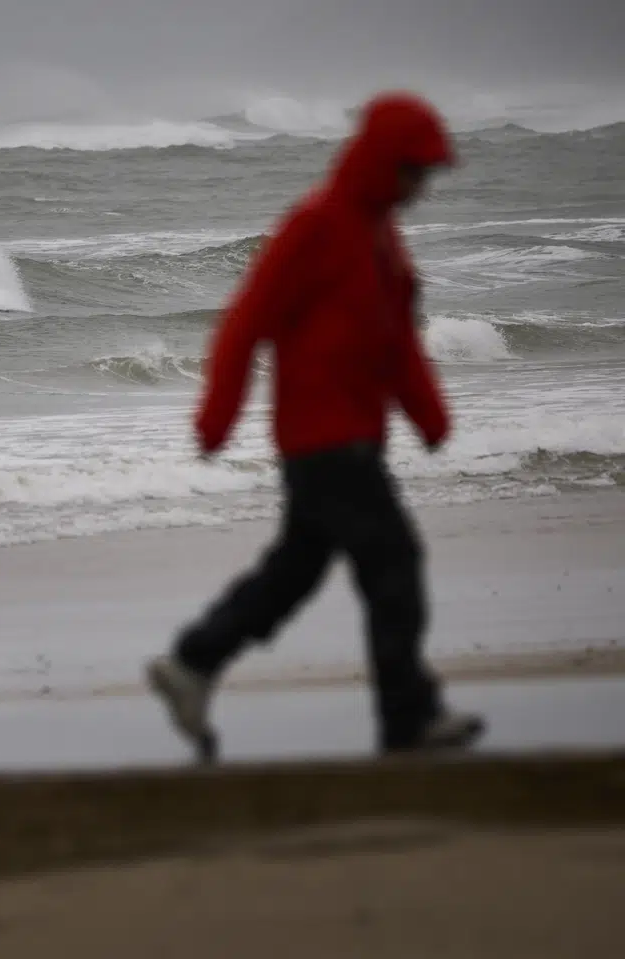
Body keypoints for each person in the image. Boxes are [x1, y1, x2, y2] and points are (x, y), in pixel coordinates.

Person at [145, 91, 485, 762]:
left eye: (427, 175)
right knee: (394, 564)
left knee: (294, 572)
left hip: (354, 435)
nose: (420, 188)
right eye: (412, 172)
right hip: (322, 440)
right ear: (381, 162)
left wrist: (429, 414)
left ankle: (192, 662)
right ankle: (407, 719)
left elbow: (396, 344)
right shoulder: (318, 226)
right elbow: (247, 320)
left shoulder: (382, 239)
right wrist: (217, 416)